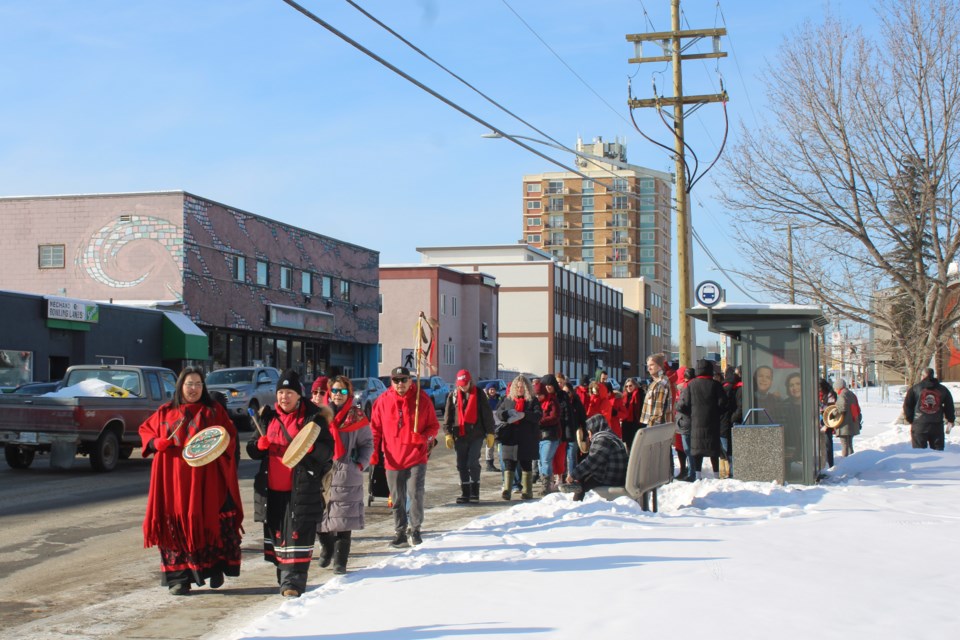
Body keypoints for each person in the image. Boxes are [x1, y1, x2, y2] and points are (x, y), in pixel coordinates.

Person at [140, 366, 244, 596]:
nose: (194, 388)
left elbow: (230, 436)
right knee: (174, 527)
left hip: (207, 478)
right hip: (173, 480)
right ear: (180, 387)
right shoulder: (165, 412)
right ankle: (179, 579)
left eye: (198, 384)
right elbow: (146, 431)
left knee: (210, 522)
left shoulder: (213, 411)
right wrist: (155, 443)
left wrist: (219, 449)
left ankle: (215, 569)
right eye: (189, 384)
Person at [247, 369, 334, 598]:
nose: (284, 397)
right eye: (281, 392)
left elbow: (328, 451)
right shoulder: (267, 418)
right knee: (279, 537)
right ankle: (284, 579)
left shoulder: (314, 419)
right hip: (272, 490)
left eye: (289, 392)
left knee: (298, 534)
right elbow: (252, 450)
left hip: (301, 488)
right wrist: (259, 446)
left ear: (299, 395)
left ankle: (293, 584)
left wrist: (312, 447)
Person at [370, 366, 441, 547]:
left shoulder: (422, 400)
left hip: (416, 457)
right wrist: (373, 452)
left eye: (404, 380)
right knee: (396, 498)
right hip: (392, 458)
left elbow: (434, 426)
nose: (400, 384)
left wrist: (424, 438)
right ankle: (400, 531)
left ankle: (415, 529)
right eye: (396, 380)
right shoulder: (382, 401)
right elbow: (375, 430)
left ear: (410, 381)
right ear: (391, 382)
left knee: (415, 494)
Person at [317, 376, 374, 575]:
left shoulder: (356, 416)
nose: (338, 395)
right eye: (334, 390)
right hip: (323, 471)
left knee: (344, 521)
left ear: (349, 393)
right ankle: (327, 547)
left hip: (347, 472)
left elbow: (367, 444)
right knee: (319, 516)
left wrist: (359, 464)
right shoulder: (321, 415)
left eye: (342, 391)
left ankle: (340, 562)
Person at [443, 369, 495, 504]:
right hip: (459, 435)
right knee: (461, 464)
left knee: (472, 462)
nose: (463, 386)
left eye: (465, 384)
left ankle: (474, 492)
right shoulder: (453, 395)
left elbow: (487, 414)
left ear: (470, 381)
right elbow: (448, 417)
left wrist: (490, 433)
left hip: (476, 434)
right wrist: (448, 434)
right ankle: (465, 493)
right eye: (461, 384)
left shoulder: (479, 394)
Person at [676, 359, 726, 482]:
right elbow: (723, 403)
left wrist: (692, 414)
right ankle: (715, 475)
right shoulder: (716, 385)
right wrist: (716, 413)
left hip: (696, 423)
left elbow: (682, 405)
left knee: (697, 449)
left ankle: (698, 475)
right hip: (712, 422)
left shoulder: (691, 385)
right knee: (713, 449)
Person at [495, 375, 542, 500]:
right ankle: (507, 490)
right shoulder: (508, 399)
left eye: (522, 387)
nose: (520, 389)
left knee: (526, 463)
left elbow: (538, 416)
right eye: (518, 387)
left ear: (527, 388)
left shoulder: (532, 400)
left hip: (527, 438)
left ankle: (527, 491)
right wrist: (507, 413)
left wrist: (524, 415)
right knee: (509, 463)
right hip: (510, 437)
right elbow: (498, 413)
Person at [563, 414, 629, 501]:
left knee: (582, 481)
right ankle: (576, 500)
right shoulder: (611, 436)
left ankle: (576, 504)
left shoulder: (602, 439)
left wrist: (573, 475)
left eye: (589, 433)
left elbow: (591, 462)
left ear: (593, 430)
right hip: (618, 475)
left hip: (612, 477)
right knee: (583, 476)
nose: (589, 437)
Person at [903, 368, 956, 451]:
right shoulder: (943, 389)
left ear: (923, 376)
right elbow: (949, 406)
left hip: (919, 424)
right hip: (937, 424)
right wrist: (950, 419)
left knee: (919, 452)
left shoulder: (914, 389)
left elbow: (908, 406)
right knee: (938, 451)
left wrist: (910, 419)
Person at [535, 376, 562, 495]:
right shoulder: (535, 404)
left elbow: (554, 417)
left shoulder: (552, 401)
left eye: (540, 394)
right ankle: (546, 482)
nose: (538, 397)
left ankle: (547, 485)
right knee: (541, 461)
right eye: (536, 395)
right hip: (539, 436)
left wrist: (540, 421)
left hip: (551, 435)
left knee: (545, 460)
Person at [719, 366, 742, 478]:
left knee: (727, 451)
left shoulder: (725, 387)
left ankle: (730, 472)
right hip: (732, 422)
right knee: (731, 450)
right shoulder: (737, 387)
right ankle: (731, 471)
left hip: (725, 423)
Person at [639, 354, 673, 428]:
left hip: (656, 425)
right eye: (648, 366)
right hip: (657, 425)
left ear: (660, 366)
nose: (649, 368)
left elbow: (658, 410)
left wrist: (651, 428)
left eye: (652, 365)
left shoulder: (660, 383)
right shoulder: (656, 382)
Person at [674, 367, 694, 480]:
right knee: (682, 447)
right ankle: (686, 470)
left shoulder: (685, 388)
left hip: (683, 421)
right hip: (681, 421)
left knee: (686, 448)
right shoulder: (682, 388)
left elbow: (682, 405)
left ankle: (688, 471)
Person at [832, 378, 860, 457]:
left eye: (835, 388)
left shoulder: (842, 395)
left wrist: (833, 414)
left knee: (844, 445)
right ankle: (852, 461)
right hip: (853, 423)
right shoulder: (851, 394)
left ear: (838, 387)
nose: (835, 391)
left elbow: (841, 407)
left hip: (844, 424)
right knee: (850, 444)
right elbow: (857, 408)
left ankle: (845, 462)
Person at [619, 377, 643, 452]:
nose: (628, 388)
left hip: (636, 422)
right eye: (626, 386)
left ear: (635, 385)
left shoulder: (639, 394)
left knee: (636, 444)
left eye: (630, 385)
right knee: (628, 444)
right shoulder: (624, 396)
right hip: (626, 423)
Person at [818, 378, 837, 468]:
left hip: (827, 422)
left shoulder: (830, 395)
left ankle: (830, 464)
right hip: (817, 422)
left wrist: (826, 424)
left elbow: (832, 410)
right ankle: (822, 464)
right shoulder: (817, 395)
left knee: (827, 444)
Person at [483, 383, 501, 472]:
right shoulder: (485, 400)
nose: (492, 391)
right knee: (490, 444)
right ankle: (489, 464)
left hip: (498, 424)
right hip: (489, 425)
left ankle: (501, 460)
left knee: (499, 444)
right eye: (490, 389)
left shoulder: (499, 399)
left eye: (493, 389)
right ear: (487, 390)